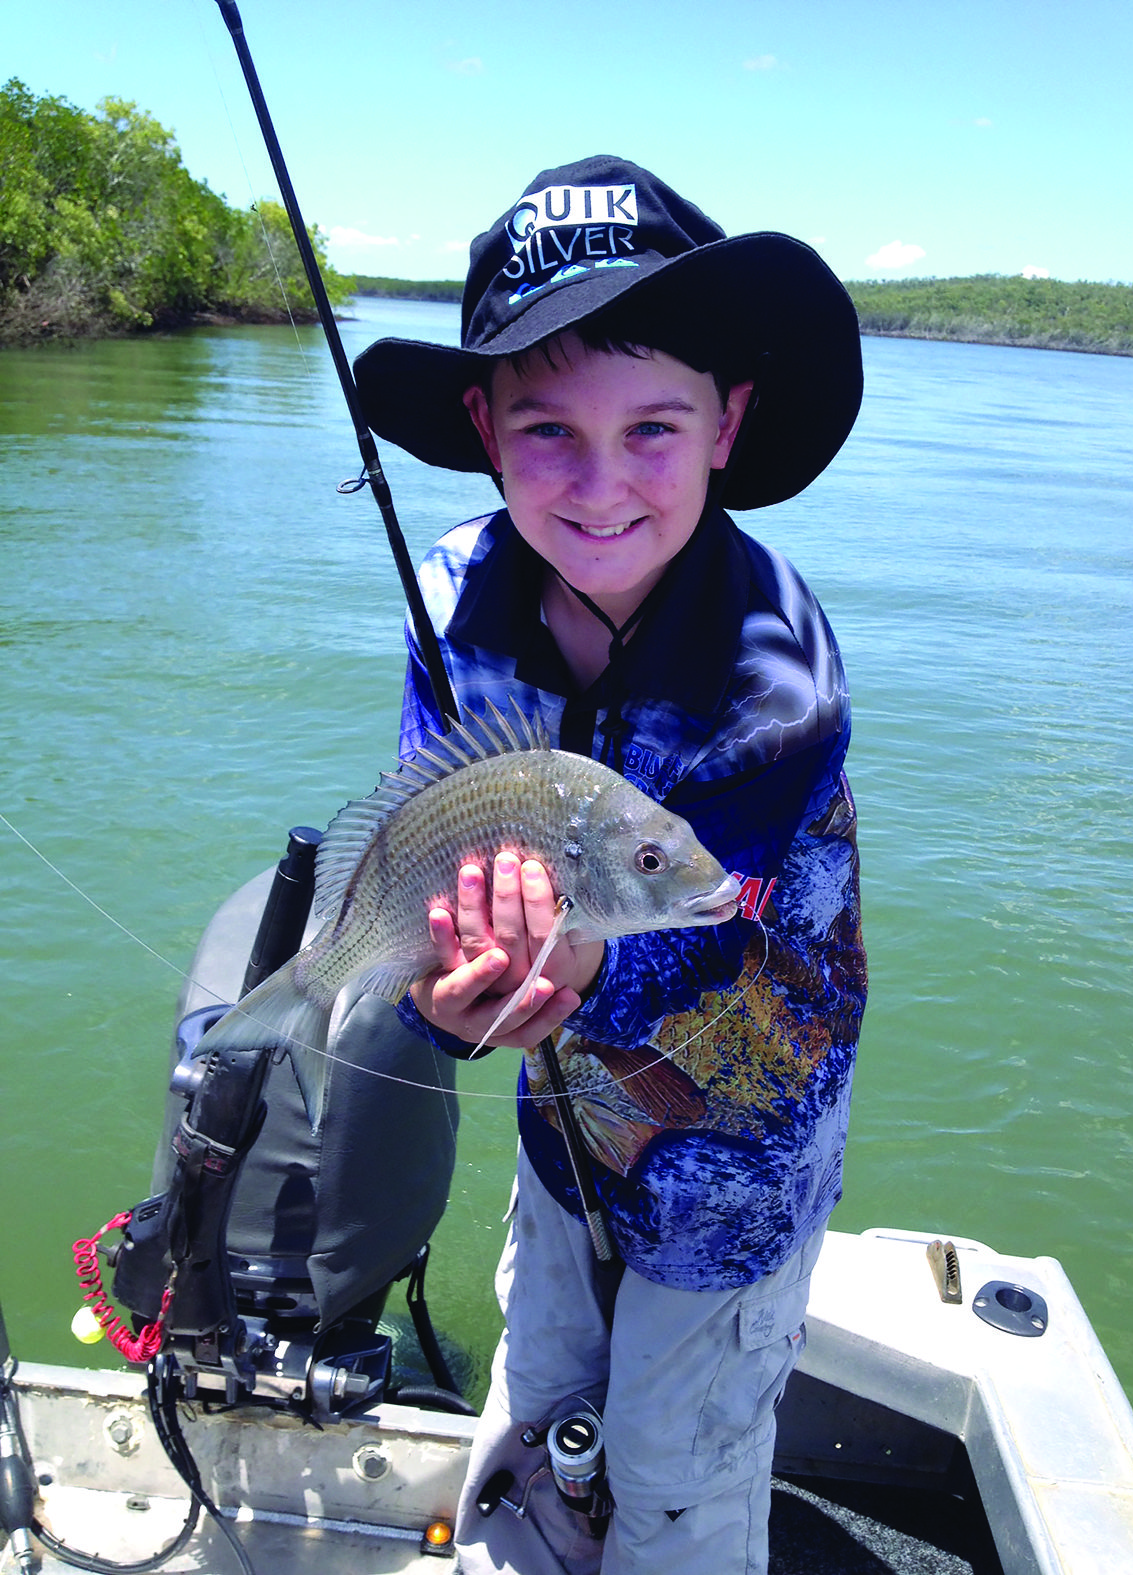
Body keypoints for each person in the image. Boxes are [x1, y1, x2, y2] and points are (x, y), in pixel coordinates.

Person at [353, 155, 867, 1575]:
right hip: (559, 1125)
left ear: (728, 425)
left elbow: (680, 923)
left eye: (652, 427)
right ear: (483, 425)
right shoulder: (450, 593)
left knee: (678, 1470)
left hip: (732, 1156)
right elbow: (436, 829)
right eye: (547, 432)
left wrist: (561, 970)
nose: (598, 488)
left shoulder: (779, 682)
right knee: (540, 1409)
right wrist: (446, 987)